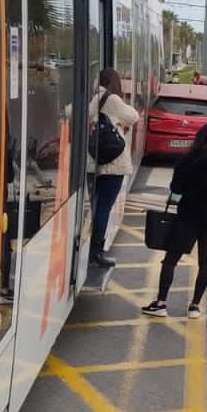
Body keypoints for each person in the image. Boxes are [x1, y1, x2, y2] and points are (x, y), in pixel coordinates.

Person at [142, 123, 207, 317]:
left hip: (188, 215)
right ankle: (194, 305)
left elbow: (176, 188)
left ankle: (161, 302)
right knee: (205, 261)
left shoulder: (189, 160)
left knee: (171, 259)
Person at [88, 68, 139, 269]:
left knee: (95, 207)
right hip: (113, 165)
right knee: (104, 208)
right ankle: (97, 252)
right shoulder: (112, 100)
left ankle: (92, 246)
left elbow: (69, 111)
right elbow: (133, 116)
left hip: (93, 162)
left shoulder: (92, 99)